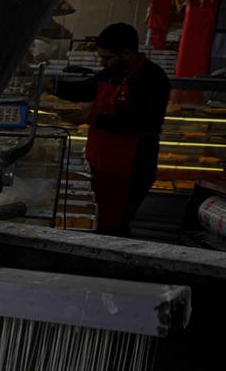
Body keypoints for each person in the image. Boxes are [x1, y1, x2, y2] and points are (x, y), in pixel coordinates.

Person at [52, 22, 171, 237]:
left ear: (126, 53)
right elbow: (85, 89)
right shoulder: (111, 73)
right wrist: (50, 85)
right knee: (97, 218)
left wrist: (90, 117)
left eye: (107, 58)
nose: (102, 63)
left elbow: (141, 123)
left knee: (115, 224)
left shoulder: (152, 78)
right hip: (101, 162)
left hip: (132, 163)